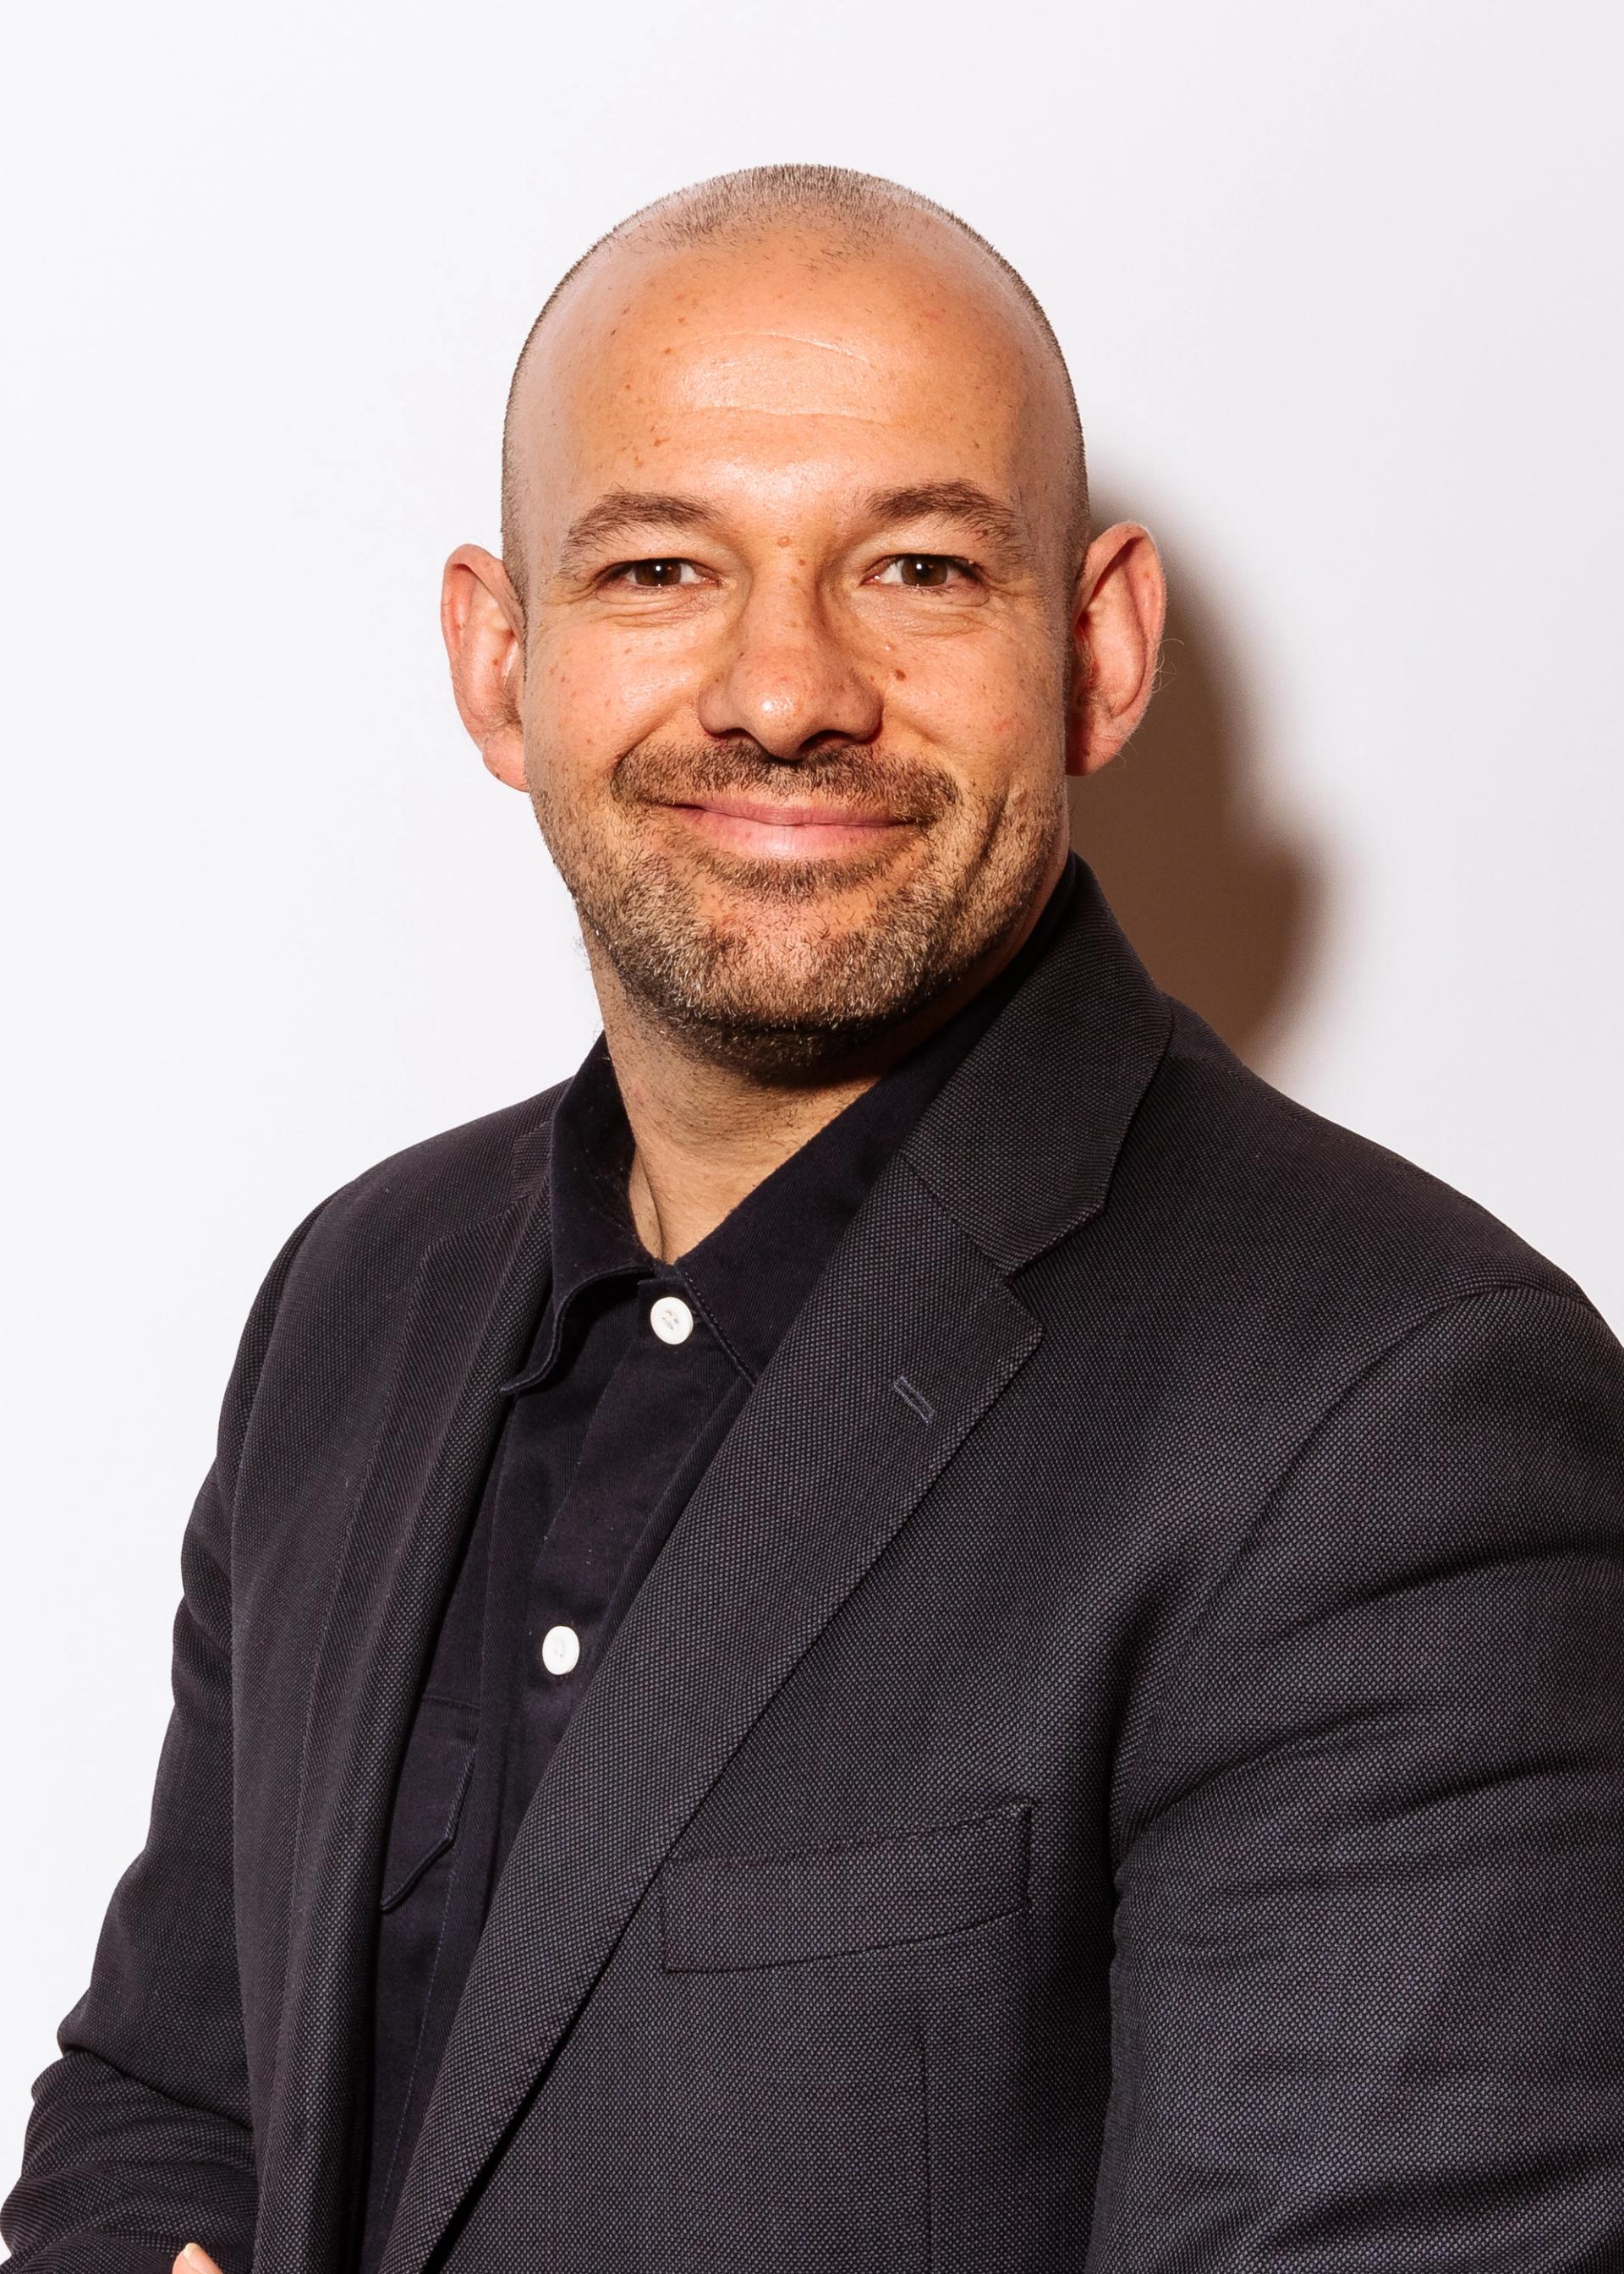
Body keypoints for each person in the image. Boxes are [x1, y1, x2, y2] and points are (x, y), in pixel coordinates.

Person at [5, 162, 1621, 2274]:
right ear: (502, 664)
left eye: (919, 567)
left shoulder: (1395, 1419)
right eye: (663, 566)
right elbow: (173, 2105)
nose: (784, 691)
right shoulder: (363, 1291)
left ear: (1097, 648)